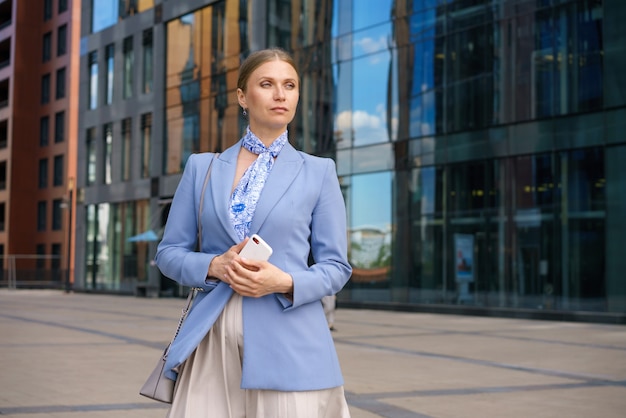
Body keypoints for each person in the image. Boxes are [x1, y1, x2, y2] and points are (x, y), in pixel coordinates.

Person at [155, 48, 353, 418]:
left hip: (291, 337)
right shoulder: (202, 168)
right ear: (243, 97)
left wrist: (284, 281)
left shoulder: (319, 172)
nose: (281, 94)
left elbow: (336, 267)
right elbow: (168, 253)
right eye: (267, 84)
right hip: (212, 337)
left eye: (289, 85)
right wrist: (214, 265)